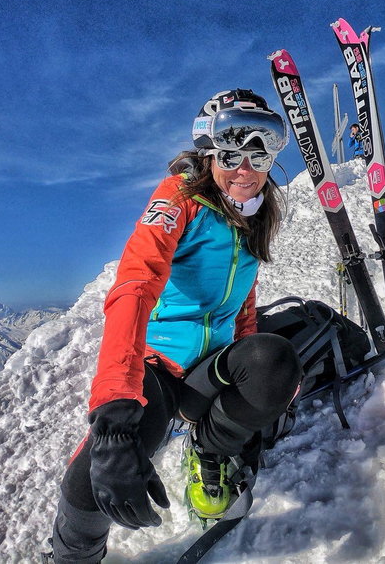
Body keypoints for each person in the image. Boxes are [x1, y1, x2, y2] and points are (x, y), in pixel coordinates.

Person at [50, 89, 303, 564]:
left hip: (211, 368)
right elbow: (135, 286)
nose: (244, 166)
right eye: (230, 150)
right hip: (161, 367)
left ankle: (207, 452)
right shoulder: (180, 198)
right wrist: (114, 412)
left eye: (261, 147)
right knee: (98, 473)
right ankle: (71, 556)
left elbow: (242, 302)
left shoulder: (253, 214)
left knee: (276, 361)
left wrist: (257, 387)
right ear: (208, 151)